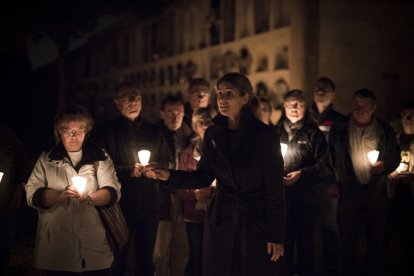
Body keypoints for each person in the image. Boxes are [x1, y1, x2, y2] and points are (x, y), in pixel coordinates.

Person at [144, 72, 287, 276]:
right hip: (223, 216)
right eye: (219, 94)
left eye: (229, 94)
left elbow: (275, 189)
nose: (222, 99)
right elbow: (203, 175)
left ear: (245, 98)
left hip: (256, 218)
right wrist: (168, 175)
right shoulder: (213, 133)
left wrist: (276, 233)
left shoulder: (265, 135)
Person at [25, 104, 121, 275]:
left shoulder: (100, 157)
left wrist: (91, 198)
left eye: (79, 130)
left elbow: (113, 190)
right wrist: (60, 195)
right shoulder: (46, 159)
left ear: (87, 131)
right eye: (68, 130)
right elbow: (32, 194)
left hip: (95, 248)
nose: (74, 136)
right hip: (57, 249)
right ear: (59, 132)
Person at [92, 82, 171, 276]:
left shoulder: (155, 131)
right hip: (120, 206)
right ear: (117, 103)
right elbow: (99, 168)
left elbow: (167, 161)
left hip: (149, 203)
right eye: (127, 97)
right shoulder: (106, 132)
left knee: (146, 261)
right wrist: (128, 172)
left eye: (136, 96)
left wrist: (156, 169)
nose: (133, 101)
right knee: (119, 259)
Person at [329, 89, 400, 276]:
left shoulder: (384, 130)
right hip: (348, 191)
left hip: (375, 192)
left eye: (363, 105)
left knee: (376, 241)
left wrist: (384, 167)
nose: (358, 109)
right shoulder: (340, 128)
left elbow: (395, 157)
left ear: (373, 107)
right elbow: (328, 157)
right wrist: (332, 181)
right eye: (355, 105)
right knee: (346, 242)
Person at [275, 90, 332, 276]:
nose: (294, 108)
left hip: (306, 199)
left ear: (305, 107)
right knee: (285, 244)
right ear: (284, 107)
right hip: (282, 199)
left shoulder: (313, 133)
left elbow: (324, 164)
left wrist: (302, 173)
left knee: (306, 243)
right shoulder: (275, 132)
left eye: (299, 104)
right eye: (290, 104)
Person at [154, 95, 192, 276]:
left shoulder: (188, 135)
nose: (175, 117)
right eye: (170, 112)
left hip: (184, 197)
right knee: (161, 250)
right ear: (162, 114)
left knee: (181, 248)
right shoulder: (154, 135)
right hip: (162, 197)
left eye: (179, 113)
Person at [310, 77, 345, 276]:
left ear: (333, 94)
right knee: (306, 226)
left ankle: (331, 266)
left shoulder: (340, 120)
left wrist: (335, 180)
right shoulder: (304, 116)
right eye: (317, 88)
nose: (320, 91)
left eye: (325, 88)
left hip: (328, 181)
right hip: (305, 180)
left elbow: (340, 154)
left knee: (329, 225)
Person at [176, 107, 216, 276]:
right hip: (194, 216)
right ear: (194, 126)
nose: (205, 125)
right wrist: (194, 194)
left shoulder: (220, 151)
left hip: (217, 214)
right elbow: (180, 186)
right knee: (196, 257)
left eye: (208, 121)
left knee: (214, 258)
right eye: (201, 122)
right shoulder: (187, 154)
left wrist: (212, 192)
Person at [386, 100, 414, 275]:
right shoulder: (393, 138)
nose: (409, 119)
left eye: (413, 116)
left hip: (411, 193)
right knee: (390, 231)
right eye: (405, 115)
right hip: (393, 192)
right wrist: (389, 174)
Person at [0, 123, 29, 276]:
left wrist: (19, 186)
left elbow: (21, 158)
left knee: (3, 243)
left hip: (4, 203)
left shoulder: (6, 135)